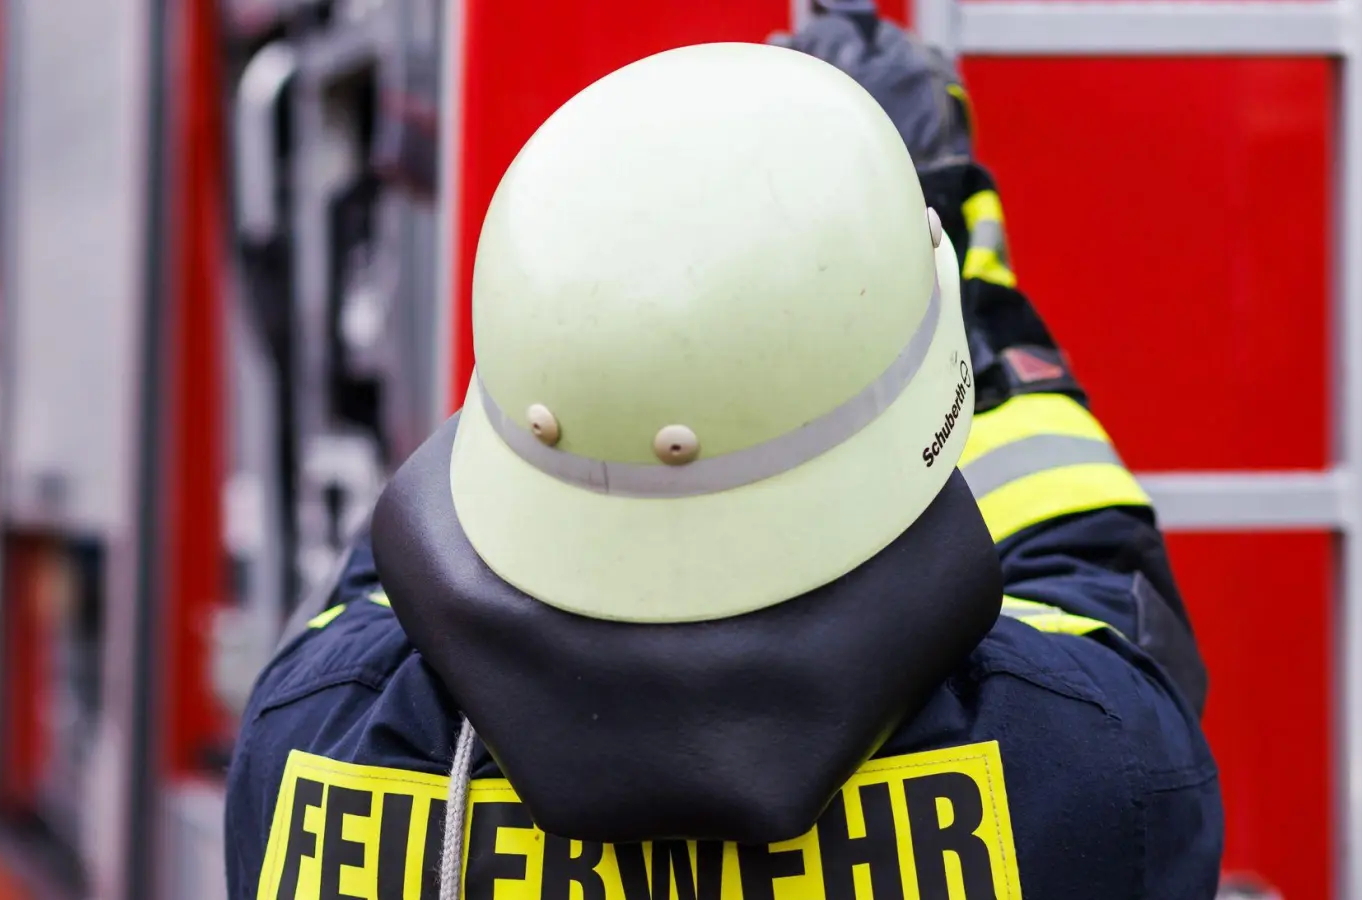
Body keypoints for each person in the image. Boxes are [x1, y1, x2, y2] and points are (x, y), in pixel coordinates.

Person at [225, 19, 1223, 900]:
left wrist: (584, 318)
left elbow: (404, 551)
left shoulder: (309, 747)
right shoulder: (1085, 766)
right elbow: (1100, 585)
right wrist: (956, 237)